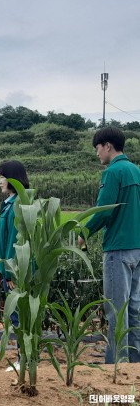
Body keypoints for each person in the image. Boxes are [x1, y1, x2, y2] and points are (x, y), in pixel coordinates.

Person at [78, 126, 140, 364]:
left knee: (116, 308)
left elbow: (103, 211)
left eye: (97, 148)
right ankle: (134, 363)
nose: (97, 154)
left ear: (108, 146)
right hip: (137, 247)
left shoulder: (113, 172)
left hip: (118, 248)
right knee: (134, 308)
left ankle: (117, 363)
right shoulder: (136, 170)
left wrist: (84, 233)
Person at [0, 160, 29, 372]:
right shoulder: (8, 203)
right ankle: (22, 357)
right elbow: (0, 240)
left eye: (2, 177)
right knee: (15, 315)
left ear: (13, 178)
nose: (0, 183)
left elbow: (16, 243)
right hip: (6, 269)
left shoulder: (19, 205)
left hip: (14, 271)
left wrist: (10, 273)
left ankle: (23, 359)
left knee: (18, 315)